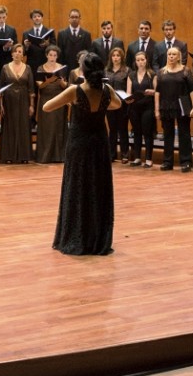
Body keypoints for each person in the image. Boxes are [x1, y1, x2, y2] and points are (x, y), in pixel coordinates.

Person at [46, 52, 121, 256]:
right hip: (99, 144)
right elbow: (118, 105)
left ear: (84, 71)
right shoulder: (107, 90)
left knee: (78, 188)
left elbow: (46, 107)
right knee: (98, 188)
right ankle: (97, 238)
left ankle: (77, 236)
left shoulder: (75, 91)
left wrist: (71, 102)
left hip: (79, 145)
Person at [154, 46, 193, 172]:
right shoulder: (161, 72)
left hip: (183, 104)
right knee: (167, 134)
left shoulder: (185, 71)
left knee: (184, 133)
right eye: (169, 54)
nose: (171, 56)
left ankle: (186, 161)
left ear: (179, 57)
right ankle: (167, 162)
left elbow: (192, 90)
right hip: (166, 105)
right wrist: (157, 109)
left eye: (174, 54)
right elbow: (157, 92)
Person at [0, 45, 35, 163]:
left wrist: (31, 105)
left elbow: (31, 89)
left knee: (23, 126)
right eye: (16, 51)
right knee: (10, 126)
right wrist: (1, 105)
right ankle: (9, 156)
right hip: (8, 101)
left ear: (23, 54)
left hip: (24, 100)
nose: (18, 54)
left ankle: (24, 156)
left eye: (20, 52)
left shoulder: (28, 68)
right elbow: (1, 89)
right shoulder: (5, 67)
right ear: (12, 54)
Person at [35, 45, 68, 164]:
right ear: (46, 55)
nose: (52, 57)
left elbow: (65, 86)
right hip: (46, 98)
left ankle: (58, 156)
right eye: (50, 55)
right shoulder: (40, 67)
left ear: (57, 56)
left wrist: (61, 82)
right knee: (47, 127)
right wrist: (48, 81)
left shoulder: (61, 68)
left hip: (59, 98)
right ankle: (45, 156)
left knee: (58, 127)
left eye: (54, 55)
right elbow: (39, 86)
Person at [126, 51, 156, 168]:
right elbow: (129, 92)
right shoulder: (131, 75)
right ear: (135, 62)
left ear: (146, 60)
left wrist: (151, 92)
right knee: (136, 132)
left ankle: (148, 158)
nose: (140, 62)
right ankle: (137, 157)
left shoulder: (152, 74)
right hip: (134, 106)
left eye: (142, 60)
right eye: (138, 60)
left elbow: (157, 91)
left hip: (147, 106)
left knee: (147, 133)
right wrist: (127, 99)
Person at [104, 47, 130, 162]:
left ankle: (125, 154)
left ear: (122, 57)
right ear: (111, 57)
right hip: (109, 104)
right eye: (113, 56)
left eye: (118, 56)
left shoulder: (127, 70)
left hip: (122, 103)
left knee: (123, 128)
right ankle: (111, 154)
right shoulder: (106, 70)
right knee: (112, 129)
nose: (116, 58)